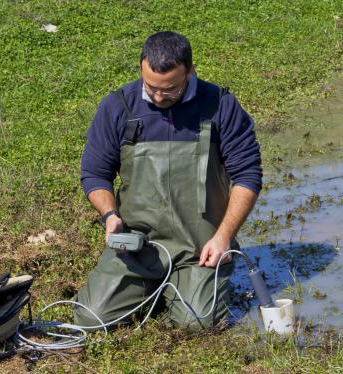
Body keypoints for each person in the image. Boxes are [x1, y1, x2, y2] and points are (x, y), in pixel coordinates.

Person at [75, 31, 262, 331]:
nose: (160, 97)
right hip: (137, 248)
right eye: (151, 88)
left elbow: (248, 176)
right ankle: (150, 289)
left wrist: (223, 236)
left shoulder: (221, 106)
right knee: (89, 319)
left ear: (190, 72)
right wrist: (110, 215)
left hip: (200, 250)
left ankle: (180, 288)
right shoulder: (117, 107)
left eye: (170, 90)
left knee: (198, 325)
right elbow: (95, 174)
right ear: (141, 68)